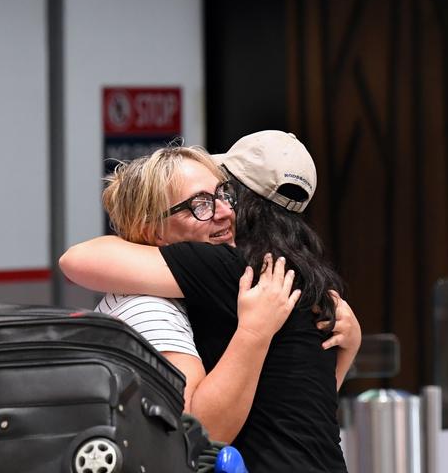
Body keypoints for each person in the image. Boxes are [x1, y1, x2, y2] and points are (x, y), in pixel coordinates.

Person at [61, 131, 353, 472]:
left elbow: (77, 259)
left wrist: (254, 332)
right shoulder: (301, 278)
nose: (223, 211)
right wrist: (350, 346)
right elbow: (301, 405)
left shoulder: (232, 270)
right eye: (200, 204)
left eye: (223, 193)